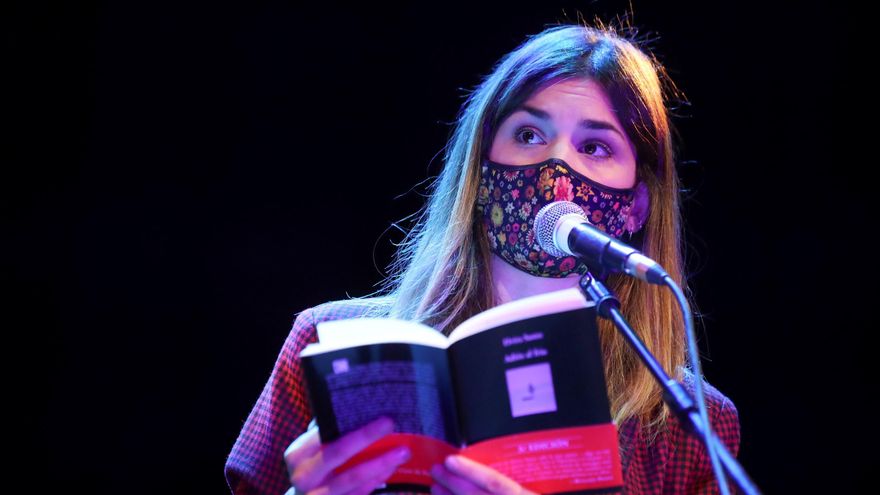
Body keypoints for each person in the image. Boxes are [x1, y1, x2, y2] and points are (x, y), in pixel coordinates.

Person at [225, 20, 741, 495]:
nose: (555, 167)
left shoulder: (689, 422)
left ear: (638, 204)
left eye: (596, 147)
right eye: (528, 135)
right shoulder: (330, 346)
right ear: (480, 172)